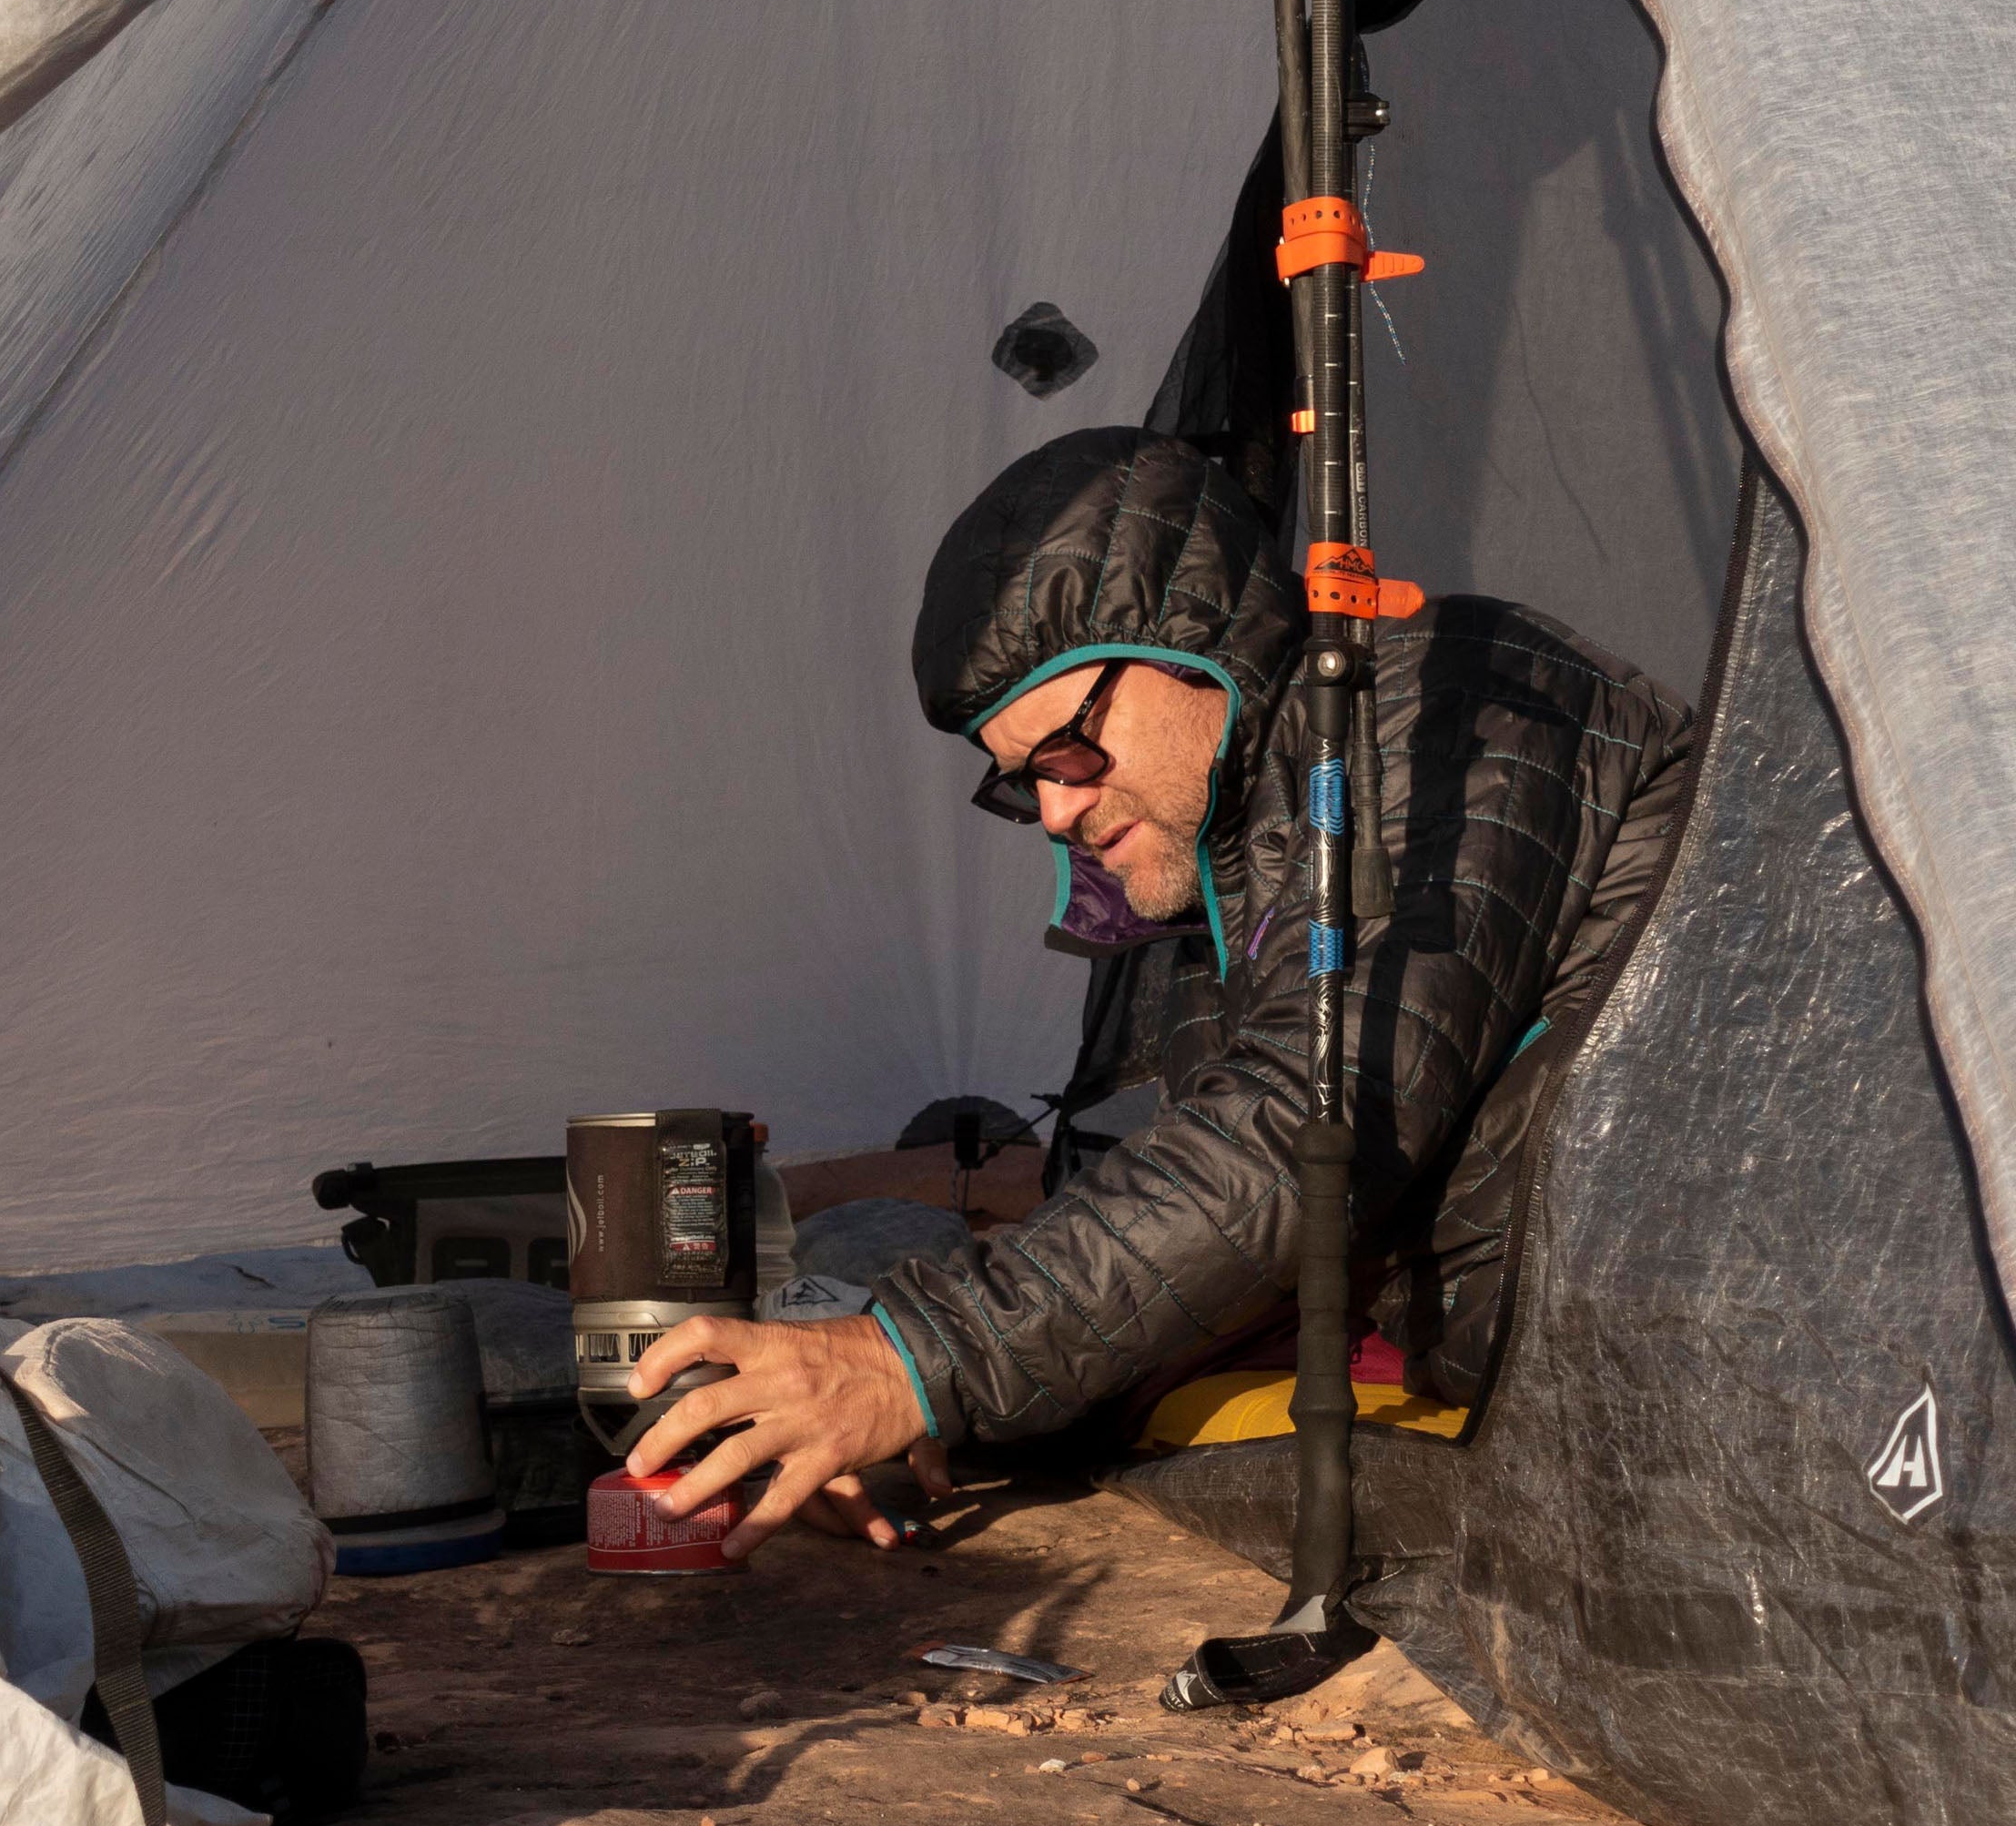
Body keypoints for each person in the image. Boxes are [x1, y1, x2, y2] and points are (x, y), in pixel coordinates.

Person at [628, 427, 1694, 1557]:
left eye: (1069, 755)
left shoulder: (1464, 718)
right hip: (1537, 1389)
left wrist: (913, 1361)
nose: (1054, 813)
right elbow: (1196, 1237)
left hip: (1699, 1399)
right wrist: (920, 1410)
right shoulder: (1216, 863)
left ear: (1196, 646)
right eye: (1020, 781)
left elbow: (1302, 1130)